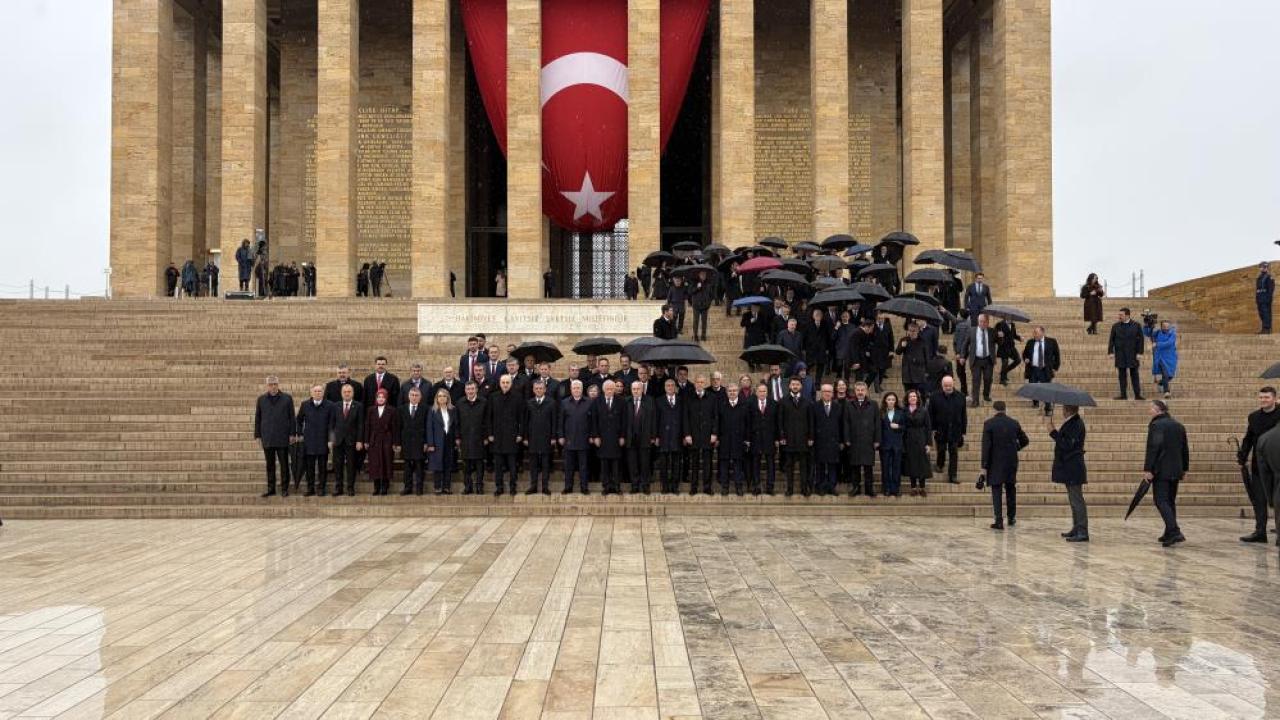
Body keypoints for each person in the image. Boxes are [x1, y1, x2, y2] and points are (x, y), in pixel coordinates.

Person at [1238, 387, 1280, 543]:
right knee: (1259, 499)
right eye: (1261, 397)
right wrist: (1243, 454)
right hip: (1259, 464)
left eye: (1267, 397)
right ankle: (1260, 531)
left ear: (1275, 398)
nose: (1263, 400)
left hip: (1277, 465)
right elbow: (1248, 437)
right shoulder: (1254, 417)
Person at [1145, 400, 1189, 547]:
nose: (1149, 411)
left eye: (1151, 408)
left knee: (1161, 500)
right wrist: (1184, 468)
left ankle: (1175, 531)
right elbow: (1185, 449)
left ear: (1158, 410)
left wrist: (1149, 469)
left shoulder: (1156, 425)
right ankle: (1169, 532)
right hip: (1176, 469)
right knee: (1170, 501)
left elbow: (1153, 448)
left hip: (1161, 469)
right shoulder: (1178, 425)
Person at [981, 401, 1029, 530]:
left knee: (996, 490)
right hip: (1011, 461)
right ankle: (1011, 517)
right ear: (1005, 409)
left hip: (995, 461)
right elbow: (1025, 440)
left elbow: (986, 447)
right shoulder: (1014, 423)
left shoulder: (989, 424)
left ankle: (998, 520)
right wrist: (1016, 448)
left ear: (994, 410)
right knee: (1010, 489)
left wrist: (983, 466)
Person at [1049, 405, 1088, 541]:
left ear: (1067, 410)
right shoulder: (1072, 422)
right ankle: (1076, 528)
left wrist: (1053, 432)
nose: (1062, 412)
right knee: (1073, 500)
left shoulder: (1076, 424)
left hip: (1073, 467)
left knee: (1077, 500)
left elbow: (1067, 445)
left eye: (1063, 409)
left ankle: (1082, 531)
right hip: (1070, 467)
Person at [254, 376, 295, 498]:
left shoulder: (287, 398)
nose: (273, 386)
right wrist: (257, 435)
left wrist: (292, 433)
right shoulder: (261, 399)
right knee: (270, 465)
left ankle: (284, 488)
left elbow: (292, 417)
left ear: (278, 384)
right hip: (268, 437)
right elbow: (258, 418)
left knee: (284, 464)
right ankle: (271, 488)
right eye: (270, 384)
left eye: (275, 384)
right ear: (267, 386)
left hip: (282, 436)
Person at [486, 375, 525, 496]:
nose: (505, 384)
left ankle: (513, 487)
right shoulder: (493, 397)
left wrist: (520, 434)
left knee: (512, 465)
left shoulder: (518, 397)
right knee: (498, 465)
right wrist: (490, 433)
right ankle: (499, 487)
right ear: (499, 383)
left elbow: (522, 418)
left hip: (512, 436)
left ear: (511, 383)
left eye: (507, 382)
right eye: (503, 382)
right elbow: (489, 417)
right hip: (497, 436)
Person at [295, 384, 336, 497]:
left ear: (323, 393)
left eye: (320, 391)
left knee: (323, 467)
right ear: (311, 393)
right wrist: (300, 433)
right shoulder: (305, 405)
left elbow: (332, 424)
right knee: (310, 468)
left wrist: (330, 439)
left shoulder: (330, 405)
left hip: (324, 441)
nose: (318, 393)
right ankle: (310, 488)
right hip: (309, 441)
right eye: (315, 391)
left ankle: (321, 488)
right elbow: (298, 420)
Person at [778, 377, 814, 497]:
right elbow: (780, 421)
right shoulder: (783, 401)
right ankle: (789, 489)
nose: (795, 386)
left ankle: (804, 488)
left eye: (797, 384)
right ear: (789, 386)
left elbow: (811, 421)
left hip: (803, 440)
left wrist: (810, 437)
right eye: (793, 384)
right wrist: (781, 436)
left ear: (801, 386)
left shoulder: (808, 402)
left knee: (804, 466)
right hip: (788, 440)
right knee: (789, 466)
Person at [844, 382, 881, 497]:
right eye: (858, 390)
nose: (860, 392)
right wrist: (847, 438)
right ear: (854, 391)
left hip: (868, 440)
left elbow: (877, 423)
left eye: (862, 390)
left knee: (868, 466)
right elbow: (846, 423)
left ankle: (869, 488)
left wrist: (877, 440)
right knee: (855, 466)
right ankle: (856, 488)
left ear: (866, 391)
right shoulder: (849, 404)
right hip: (854, 440)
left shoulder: (873, 404)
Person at [928, 376, 967, 484]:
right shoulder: (934, 396)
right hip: (940, 429)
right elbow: (930, 414)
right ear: (942, 385)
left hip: (955, 430)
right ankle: (940, 464)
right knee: (941, 449)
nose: (948, 387)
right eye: (946, 386)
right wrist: (933, 428)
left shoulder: (961, 396)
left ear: (953, 384)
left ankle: (952, 475)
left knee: (954, 452)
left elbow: (963, 415)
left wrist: (963, 431)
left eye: (950, 385)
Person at [591, 380, 627, 494]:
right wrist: (595, 436)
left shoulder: (621, 401)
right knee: (604, 464)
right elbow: (594, 420)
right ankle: (606, 486)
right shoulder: (597, 401)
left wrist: (622, 436)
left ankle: (616, 486)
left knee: (616, 463)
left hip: (616, 438)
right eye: (608, 389)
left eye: (612, 389)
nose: (610, 391)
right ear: (603, 389)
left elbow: (624, 420)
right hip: (602, 438)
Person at [684, 376, 718, 495]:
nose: (699, 384)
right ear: (695, 384)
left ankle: (707, 487)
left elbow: (715, 417)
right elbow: (686, 417)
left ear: (705, 384)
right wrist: (687, 434)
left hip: (708, 435)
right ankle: (694, 487)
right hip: (693, 435)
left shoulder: (712, 398)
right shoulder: (689, 398)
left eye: (702, 382)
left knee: (708, 463)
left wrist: (714, 433)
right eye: (697, 382)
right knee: (694, 463)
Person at [523, 380, 557, 495]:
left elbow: (554, 421)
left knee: (545, 464)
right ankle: (533, 485)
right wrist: (526, 437)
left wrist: (553, 437)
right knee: (533, 464)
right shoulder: (529, 403)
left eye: (541, 388)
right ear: (533, 390)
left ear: (545, 389)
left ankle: (545, 486)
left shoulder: (551, 402)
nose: (538, 390)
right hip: (533, 438)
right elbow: (526, 421)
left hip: (546, 437)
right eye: (536, 388)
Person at [559, 380, 592, 494]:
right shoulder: (564, 402)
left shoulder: (589, 402)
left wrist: (592, 435)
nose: (576, 390)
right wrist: (561, 436)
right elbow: (560, 421)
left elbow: (592, 422)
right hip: (569, 439)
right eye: (574, 388)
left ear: (582, 389)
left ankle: (584, 487)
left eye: (578, 388)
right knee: (569, 466)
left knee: (584, 466)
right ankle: (568, 487)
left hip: (584, 439)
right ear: (571, 389)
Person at [362, 389, 398, 496]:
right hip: (374, 439)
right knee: (375, 463)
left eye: (383, 397)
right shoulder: (371, 410)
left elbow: (395, 427)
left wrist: (395, 442)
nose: (380, 399)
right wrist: (366, 441)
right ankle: (376, 486)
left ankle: (385, 486)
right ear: (376, 398)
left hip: (387, 439)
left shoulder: (392, 410)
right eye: (379, 397)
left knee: (386, 462)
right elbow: (367, 426)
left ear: (386, 398)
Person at [812, 384, 846, 496]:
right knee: (820, 465)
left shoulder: (837, 407)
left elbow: (842, 425)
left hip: (833, 440)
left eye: (829, 391)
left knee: (832, 464)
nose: (827, 393)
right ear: (821, 393)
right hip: (819, 441)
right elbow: (811, 424)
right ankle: (820, 486)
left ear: (832, 393)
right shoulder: (814, 406)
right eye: (825, 391)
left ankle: (832, 486)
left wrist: (841, 441)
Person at [716, 384, 750, 495]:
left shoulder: (744, 405)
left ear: (738, 392)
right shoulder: (721, 405)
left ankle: (738, 487)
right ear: (726, 393)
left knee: (738, 465)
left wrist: (746, 439)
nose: (732, 392)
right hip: (724, 439)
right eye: (730, 391)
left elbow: (747, 423)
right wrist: (717, 437)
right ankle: (725, 487)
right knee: (724, 464)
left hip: (739, 440)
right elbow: (717, 423)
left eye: (734, 390)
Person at [624, 381, 657, 493]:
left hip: (645, 437)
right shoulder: (626, 401)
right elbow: (623, 421)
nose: (636, 391)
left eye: (638, 389)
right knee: (633, 464)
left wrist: (653, 435)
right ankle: (635, 485)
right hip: (631, 438)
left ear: (642, 389)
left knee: (645, 463)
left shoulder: (649, 401)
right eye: (634, 389)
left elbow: (654, 419)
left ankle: (645, 485)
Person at [456, 382, 489, 494]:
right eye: (468, 389)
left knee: (480, 464)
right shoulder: (460, 403)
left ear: (476, 390)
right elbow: (457, 422)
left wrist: (486, 436)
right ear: (465, 390)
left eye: (472, 389)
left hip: (479, 438)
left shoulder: (483, 402)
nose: (470, 391)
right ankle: (468, 486)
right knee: (466, 465)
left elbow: (487, 420)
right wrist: (457, 437)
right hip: (465, 438)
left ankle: (479, 486)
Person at [747, 383, 780, 495]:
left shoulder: (774, 404)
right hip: (755, 438)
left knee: (771, 464)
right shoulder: (750, 404)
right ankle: (756, 486)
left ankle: (770, 486)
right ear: (756, 392)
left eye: (764, 391)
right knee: (755, 463)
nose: (762, 393)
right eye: (760, 391)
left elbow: (777, 423)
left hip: (769, 439)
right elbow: (748, 422)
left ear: (767, 392)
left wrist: (777, 438)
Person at [332, 384, 364, 496]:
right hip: (338, 441)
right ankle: (338, 487)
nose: (347, 393)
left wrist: (359, 440)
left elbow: (360, 424)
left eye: (349, 391)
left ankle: (350, 487)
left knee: (351, 465)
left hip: (352, 441)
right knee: (338, 465)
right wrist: (331, 439)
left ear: (353, 393)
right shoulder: (335, 406)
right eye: (345, 391)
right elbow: (331, 424)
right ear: (341, 393)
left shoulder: (358, 406)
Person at [1021, 326, 1061, 416]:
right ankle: (1035, 402)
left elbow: (1057, 355)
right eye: (1034, 332)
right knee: (1033, 386)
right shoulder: (1030, 342)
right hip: (1033, 369)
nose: (1034, 334)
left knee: (1047, 388)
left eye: (1036, 333)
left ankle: (1048, 408)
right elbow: (1025, 354)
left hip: (1045, 369)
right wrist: (1026, 359)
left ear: (1042, 333)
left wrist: (1055, 367)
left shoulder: (1052, 342)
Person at [1107, 308, 1145, 400]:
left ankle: (1137, 395)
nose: (1119, 316)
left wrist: (1140, 352)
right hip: (1120, 354)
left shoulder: (1136, 325)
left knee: (1134, 374)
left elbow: (1141, 340)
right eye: (1119, 315)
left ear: (1127, 315)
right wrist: (1111, 352)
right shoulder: (1115, 326)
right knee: (1122, 375)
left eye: (1121, 315)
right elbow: (1111, 340)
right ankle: (1123, 395)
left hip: (1133, 354)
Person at [396, 388, 429, 495]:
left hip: (420, 442)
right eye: (412, 395)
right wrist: (398, 443)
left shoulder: (425, 409)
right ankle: (408, 487)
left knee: (419, 467)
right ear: (408, 396)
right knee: (407, 467)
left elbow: (427, 426)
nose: (414, 397)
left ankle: (419, 488)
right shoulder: (402, 409)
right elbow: (398, 426)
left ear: (420, 397)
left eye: (416, 395)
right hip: (406, 442)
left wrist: (426, 442)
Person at [656, 378, 685, 493]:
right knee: (664, 464)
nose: (670, 387)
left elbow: (684, 419)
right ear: (664, 387)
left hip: (677, 436)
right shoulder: (659, 401)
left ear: (675, 387)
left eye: (672, 385)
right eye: (667, 385)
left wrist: (684, 435)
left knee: (676, 463)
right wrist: (656, 436)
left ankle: (674, 486)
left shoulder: (681, 400)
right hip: (663, 436)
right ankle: (665, 486)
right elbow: (656, 420)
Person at [426, 389, 457, 494]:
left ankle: (446, 487)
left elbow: (456, 425)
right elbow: (429, 428)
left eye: (444, 396)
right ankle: (438, 487)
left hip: (449, 440)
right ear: (436, 398)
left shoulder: (452, 410)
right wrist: (430, 443)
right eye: (439, 396)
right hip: (437, 441)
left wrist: (456, 439)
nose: (442, 398)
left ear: (447, 398)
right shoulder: (432, 410)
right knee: (437, 465)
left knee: (448, 464)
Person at [902, 389, 932, 496]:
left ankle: (922, 487)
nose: (912, 398)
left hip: (921, 438)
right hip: (908, 439)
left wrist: (928, 443)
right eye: (910, 397)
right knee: (911, 463)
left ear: (917, 398)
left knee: (922, 463)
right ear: (907, 399)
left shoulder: (923, 410)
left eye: (914, 396)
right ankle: (913, 487)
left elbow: (928, 428)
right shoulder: (904, 411)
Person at [965, 314, 996, 407]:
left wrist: (1001, 336)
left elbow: (999, 342)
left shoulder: (992, 331)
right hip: (976, 360)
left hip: (988, 360)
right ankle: (975, 400)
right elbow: (965, 344)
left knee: (988, 379)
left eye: (984, 322)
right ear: (978, 322)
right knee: (976, 380)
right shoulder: (972, 330)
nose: (982, 323)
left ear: (988, 322)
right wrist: (963, 356)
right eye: (980, 321)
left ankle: (986, 395)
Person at [1143, 319, 1178, 399]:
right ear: (1161, 326)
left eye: (1167, 326)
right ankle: (1166, 392)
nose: (1166, 328)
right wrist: (1147, 325)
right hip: (1160, 357)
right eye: (1164, 326)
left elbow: (1169, 343)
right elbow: (1148, 334)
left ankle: (1160, 383)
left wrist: (1157, 344)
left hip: (1171, 357)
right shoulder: (1158, 332)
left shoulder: (1172, 334)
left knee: (1170, 376)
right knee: (1165, 374)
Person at [879, 392, 905, 497]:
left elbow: (905, 427)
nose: (891, 401)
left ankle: (896, 488)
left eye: (893, 399)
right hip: (885, 444)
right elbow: (878, 428)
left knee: (896, 467)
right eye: (889, 399)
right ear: (885, 400)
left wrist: (898, 426)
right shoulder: (881, 413)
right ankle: (886, 488)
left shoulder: (901, 412)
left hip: (897, 444)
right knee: (885, 467)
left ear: (896, 401)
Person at [895, 322, 930, 397]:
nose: (911, 332)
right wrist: (902, 346)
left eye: (913, 331)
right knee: (908, 394)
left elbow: (927, 357)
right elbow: (897, 352)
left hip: (919, 373)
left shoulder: (923, 341)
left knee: (922, 395)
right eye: (910, 330)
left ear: (918, 331)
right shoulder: (904, 340)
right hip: (908, 373)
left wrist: (927, 371)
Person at [994, 318, 1022, 386]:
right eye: (1010, 317)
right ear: (1006, 317)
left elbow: (1014, 335)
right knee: (1005, 362)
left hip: (1011, 347)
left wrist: (1019, 338)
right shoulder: (999, 324)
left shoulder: (1012, 324)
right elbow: (994, 334)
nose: (1012, 319)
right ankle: (1002, 379)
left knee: (1018, 360)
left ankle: (1004, 372)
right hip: (1003, 346)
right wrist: (998, 334)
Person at [690, 272, 713, 342]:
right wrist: (697, 288)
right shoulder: (694, 282)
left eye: (704, 275)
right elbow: (690, 292)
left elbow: (711, 295)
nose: (703, 276)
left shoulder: (708, 284)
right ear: (699, 275)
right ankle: (695, 335)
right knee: (696, 321)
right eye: (702, 275)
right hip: (696, 305)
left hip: (705, 306)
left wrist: (708, 304)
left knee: (704, 321)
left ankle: (703, 335)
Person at [1258, 262, 1274, 334]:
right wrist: (1257, 298)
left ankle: (1267, 329)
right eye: (1262, 267)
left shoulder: (1269, 277)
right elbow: (1257, 289)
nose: (1264, 268)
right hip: (1260, 298)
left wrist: (1269, 298)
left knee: (1266, 313)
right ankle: (1263, 328)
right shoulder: (1259, 278)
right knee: (1261, 313)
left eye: (1265, 267)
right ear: (1260, 268)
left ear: (1267, 268)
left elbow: (1271, 289)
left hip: (1266, 298)